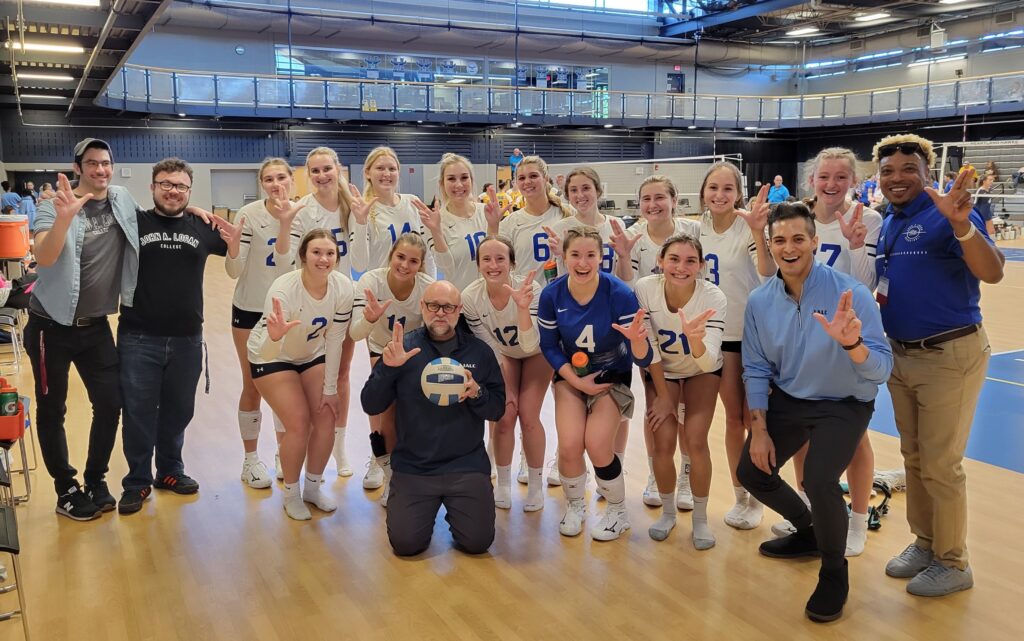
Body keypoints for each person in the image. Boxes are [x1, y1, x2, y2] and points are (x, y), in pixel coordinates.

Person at [737, 201, 892, 623]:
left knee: (820, 479)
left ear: (814, 243)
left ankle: (833, 570)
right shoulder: (759, 301)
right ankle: (807, 531)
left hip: (844, 402)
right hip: (790, 398)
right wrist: (760, 426)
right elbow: (754, 368)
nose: (789, 248)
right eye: (780, 240)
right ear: (769, 246)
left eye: (798, 239)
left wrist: (852, 345)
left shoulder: (851, 295)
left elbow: (881, 369)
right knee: (752, 472)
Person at [873, 134, 1004, 597]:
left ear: (928, 172)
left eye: (909, 169)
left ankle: (954, 562)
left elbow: (992, 272)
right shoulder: (890, 219)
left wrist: (964, 227)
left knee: (941, 465)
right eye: (888, 171)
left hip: (949, 354)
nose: (897, 178)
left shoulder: (948, 215)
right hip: (902, 353)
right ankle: (926, 544)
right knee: (913, 458)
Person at [774, 147, 885, 556]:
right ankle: (808, 511)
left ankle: (856, 521)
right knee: (802, 431)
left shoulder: (868, 219)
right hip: (801, 338)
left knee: (855, 436)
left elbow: (868, 284)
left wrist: (856, 247)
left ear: (854, 181)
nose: (832, 184)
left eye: (841, 177)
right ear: (812, 180)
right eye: (825, 177)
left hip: (846, 338)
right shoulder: (796, 215)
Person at [25, 138, 140, 520]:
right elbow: (43, 256)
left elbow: (151, 220)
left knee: (110, 404)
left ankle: (95, 478)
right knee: (52, 408)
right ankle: (65, 488)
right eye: (92, 163)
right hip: (49, 327)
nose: (100, 170)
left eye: (105, 162)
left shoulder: (121, 198)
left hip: (96, 328)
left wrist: (190, 208)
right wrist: (64, 217)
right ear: (77, 168)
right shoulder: (51, 204)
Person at [361, 281, 505, 556]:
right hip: (415, 466)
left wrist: (477, 392)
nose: (440, 312)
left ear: (459, 310)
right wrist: (388, 369)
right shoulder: (403, 349)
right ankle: (425, 508)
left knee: (477, 544)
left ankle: (457, 508)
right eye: (433, 305)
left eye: (448, 307)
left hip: (466, 466)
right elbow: (370, 403)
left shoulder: (479, 351)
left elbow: (497, 410)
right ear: (422, 307)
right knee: (405, 546)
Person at [117, 158, 227, 514]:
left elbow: (235, 247)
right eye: (166, 183)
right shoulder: (133, 222)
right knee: (138, 413)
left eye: (180, 186)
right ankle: (136, 481)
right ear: (152, 187)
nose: (173, 191)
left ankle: (169, 470)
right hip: (138, 338)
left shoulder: (201, 226)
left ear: (189, 191)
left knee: (179, 411)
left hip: (187, 340)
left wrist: (202, 213)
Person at [538, 227, 655, 541]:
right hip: (570, 378)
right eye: (575, 254)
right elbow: (548, 346)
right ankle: (576, 505)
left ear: (602, 257)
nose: (583, 262)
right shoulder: (552, 294)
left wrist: (638, 343)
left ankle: (618, 510)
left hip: (610, 378)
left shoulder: (618, 294)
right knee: (570, 443)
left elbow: (642, 359)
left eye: (591, 254)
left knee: (599, 445)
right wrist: (575, 379)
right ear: (564, 255)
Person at [248, 229, 355, 520]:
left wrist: (331, 389)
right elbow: (269, 352)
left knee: (326, 414)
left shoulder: (343, 287)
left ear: (337, 257)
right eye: (316, 252)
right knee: (298, 422)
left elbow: (335, 340)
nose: (324, 259)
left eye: (330, 253)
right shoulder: (284, 289)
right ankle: (291, 494)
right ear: (303, 256)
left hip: (309, 354)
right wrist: (274, 337)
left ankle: (312, 488)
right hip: (270, 356)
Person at [612, 175, 701, 509]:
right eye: (646, 199)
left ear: (674, 200)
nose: (653, 204)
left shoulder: (693, 232)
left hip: (691, 335)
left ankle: (687, 480)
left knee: (688, 411)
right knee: (657, 410)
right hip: (652, 336)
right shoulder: (633, 237)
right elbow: (625, 286)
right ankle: (656, 473)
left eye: (660, 197)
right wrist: (623, 257)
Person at [218, 158, 305, 490]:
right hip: (249, 310)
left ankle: (285, 453)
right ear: (261, 184)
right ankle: (251, 460)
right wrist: (232, 247)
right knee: (252, 384)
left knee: (285, 386)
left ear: (292, 181)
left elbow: (294, 268)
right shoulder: (248, 214)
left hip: (285, 311)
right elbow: (233, 272)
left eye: (281, 177)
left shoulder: (303, 215)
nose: (275, 183)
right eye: (268, 179)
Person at [636, 234, 726, 549]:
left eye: (690, 261)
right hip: (664, 371)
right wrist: (662, 395)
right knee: (663, 441)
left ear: (701, 266)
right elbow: (649, 348)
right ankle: (668, 512)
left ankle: (700, 520)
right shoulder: (645, 289)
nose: (681, 267)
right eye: (674, 259)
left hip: (702, 370)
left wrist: (695, 339)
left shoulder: (713, 297)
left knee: (696, 440)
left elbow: (710, 359)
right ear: (661, 261)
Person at [698, 162, 774, 529]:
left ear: (738, 193)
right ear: (703, 192)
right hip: (720, 335)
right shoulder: (696, 229)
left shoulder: (748, 225)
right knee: (732, 419)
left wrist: (760, 234)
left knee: (755, 419)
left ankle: (761, 492)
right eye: (713, 187)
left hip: (754, 334)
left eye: (728, 188)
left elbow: (768, 272)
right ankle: (741, 493)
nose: (720, 195)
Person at [287, 147, 363, 477]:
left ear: (338, 169)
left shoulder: (353, 205)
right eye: (314, 171)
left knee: (341, 373)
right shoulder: (302, 209)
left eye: (326, 169)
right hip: (309, 299)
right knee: (300, 372)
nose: (321, 176)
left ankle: (338, 446)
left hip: (343, 299)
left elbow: (361, 259)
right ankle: (290, 445)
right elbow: (292, 259)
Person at [462, 236, 548, 511]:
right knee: (504, 413)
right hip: (503, 356)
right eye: (486, 259)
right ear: (477, 265)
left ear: (512, 263)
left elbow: (529, 343)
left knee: (530, 416)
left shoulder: (530, 288)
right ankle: (503, 483)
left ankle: (536, 486)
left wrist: (522, 308)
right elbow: (488, 346)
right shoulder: (470, 297)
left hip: (537, 353)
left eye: (500, 258)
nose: (493, 264)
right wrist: (504, 386)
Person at [350, 233, 435, 505]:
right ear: (391, 256)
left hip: (414, 351)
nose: (405, 265)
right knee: (383, 405)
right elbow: (354, 333)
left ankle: (412, 468)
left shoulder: (426, 287)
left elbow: (434, 331)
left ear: (420, 265)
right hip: (380, 347)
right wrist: (369, 318)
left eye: (413, 261)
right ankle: (386, 470)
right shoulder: (371, 282)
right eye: (400, 257)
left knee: (410, 409)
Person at [417, 153, 503, 291]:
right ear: (442, 183)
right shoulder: (434, 222)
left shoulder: (487, 213)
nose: (459, 184)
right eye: (451, 179)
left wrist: (494, 226)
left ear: (471, 180)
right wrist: (436, 231)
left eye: (464, 178)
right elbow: (446, 268)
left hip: (492, 300)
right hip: (460, 302)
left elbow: (500, 260)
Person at [350, 146, 436, 277]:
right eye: (380, 168)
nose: (386, 174)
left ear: (398, 172)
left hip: (415, 289)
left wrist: (430, 284)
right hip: (382, 290)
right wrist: (361, 222)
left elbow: (427, 255)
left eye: (392, 169)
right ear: (368, 173)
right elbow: (359, 265)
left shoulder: (412, 203)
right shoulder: (361, 211)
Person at [489, 155, 574, 287]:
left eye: (533, 176)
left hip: (564, 296)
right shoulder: (510, 223)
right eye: (521, 178)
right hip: (527, 298)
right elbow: (495, 261)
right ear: (516, 182)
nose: (527, 182)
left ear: (545, 178)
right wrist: (493, 226)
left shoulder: (568, 213)